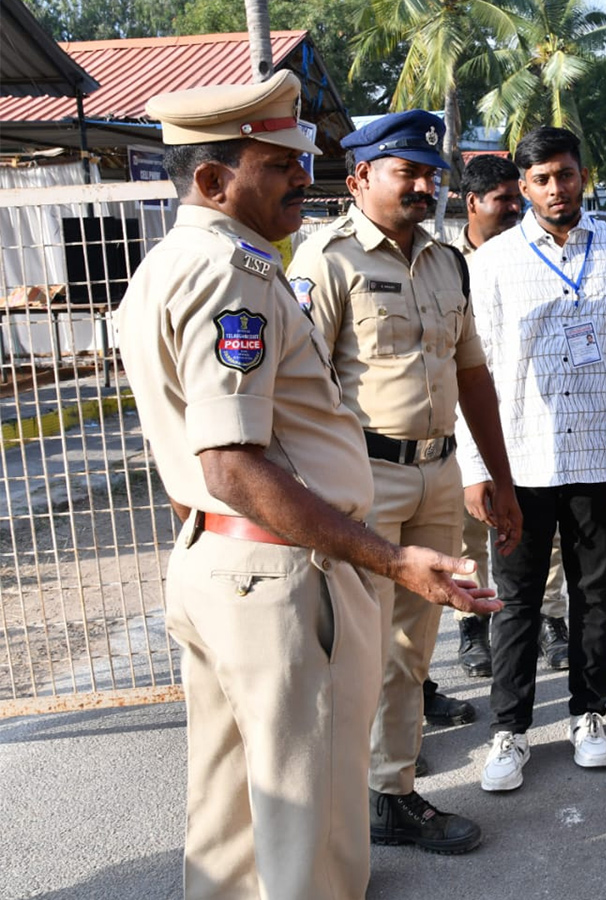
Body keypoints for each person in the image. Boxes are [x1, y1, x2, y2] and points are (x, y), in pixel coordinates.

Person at [116, 72, 497, 899]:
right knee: (311, 826)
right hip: (285, 577)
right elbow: (231, 462)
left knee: (231, 814)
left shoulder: (164, 264)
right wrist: (390, 560)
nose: (303, 176)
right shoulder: (238, 274)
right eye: (279, 162)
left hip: (220, 560)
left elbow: (194, 458)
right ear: (215, 180)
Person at [286, 111, 520, 854]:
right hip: (361, 479)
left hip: (438, 475)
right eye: (406, 172)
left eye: (431, 173)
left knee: (412, 647)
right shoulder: (324, 262)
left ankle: (391, 794)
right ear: (358, 179)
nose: (425, 185)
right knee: (353, 648)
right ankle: (330, 808)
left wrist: (499, 480)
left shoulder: (448, 263)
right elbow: (298, 391)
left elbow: (472, 375)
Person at [458, 126, 606, 791]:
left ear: (581, 175)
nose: (555, 189)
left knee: (595, 595)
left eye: (564, 174)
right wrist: (476, 468)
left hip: (597, 456)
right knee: (516, 600)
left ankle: (590, 715)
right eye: (540, 179)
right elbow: (467, 367)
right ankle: (509, 730)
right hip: (521, 462)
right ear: (523, 187)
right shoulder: (493, 262)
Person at [450, 154, 571, 678]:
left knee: (541, 538)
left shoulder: (534, 256)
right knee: (466, 535)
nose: (515, 208)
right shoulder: (445, 263)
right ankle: (473, 627)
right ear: (473, 204)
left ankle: (550, 621)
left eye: (516, 197)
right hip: (459, 423)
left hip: (525, 421)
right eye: (503, 200)